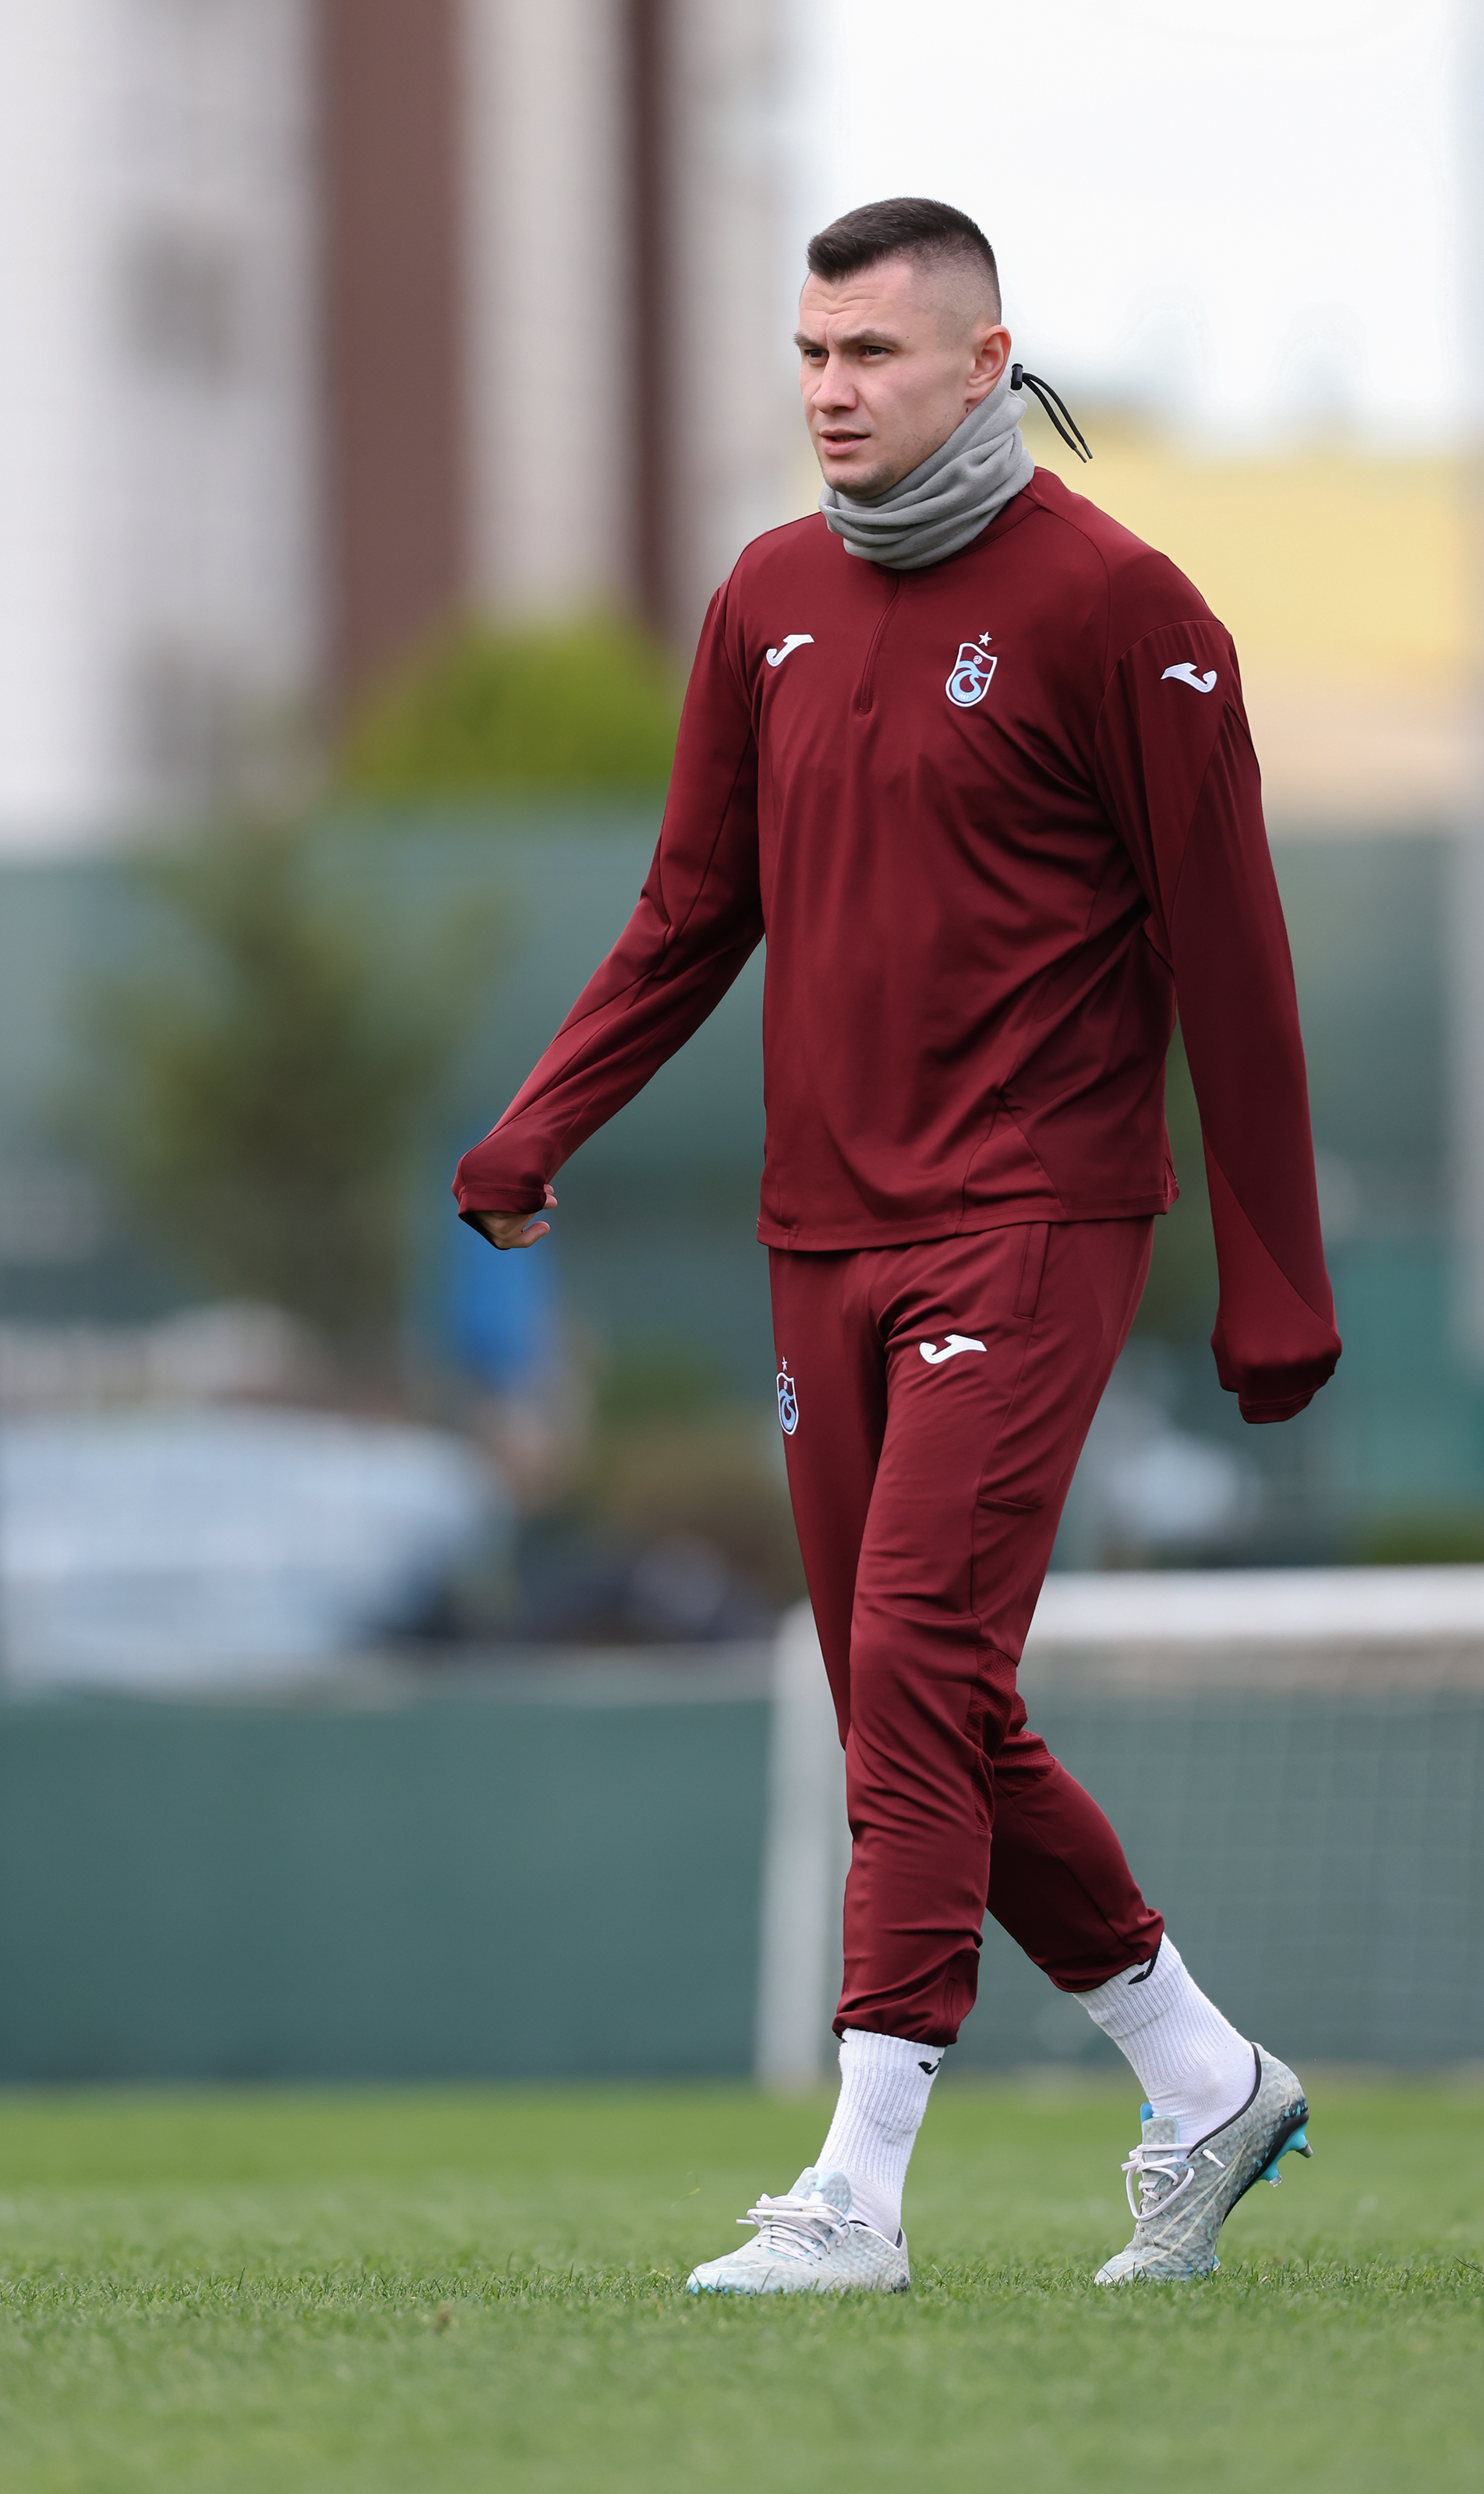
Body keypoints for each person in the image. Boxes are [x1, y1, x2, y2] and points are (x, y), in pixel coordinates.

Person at [454, 197, 1340, 2292]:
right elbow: (692, 911)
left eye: (871, 353)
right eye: (811, 354)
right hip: (821, 1236)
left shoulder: (1125, 608)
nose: (832, 392)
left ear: (983, 360)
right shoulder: (763, 597)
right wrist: (543, 1113)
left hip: (1032, 1218)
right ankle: (1206, 2078)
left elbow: (1236, 955)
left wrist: (1277, 1269)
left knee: (921, 1665)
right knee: (906, 1703)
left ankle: (857, 2187)